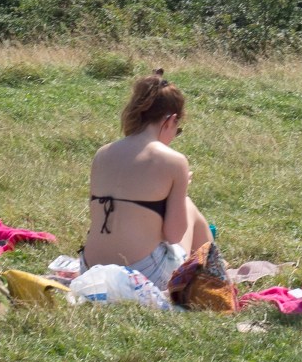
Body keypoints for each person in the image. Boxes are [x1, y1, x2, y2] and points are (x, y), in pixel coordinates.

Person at [80, 70, 212, 291]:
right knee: (188, 207)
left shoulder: (102, 153)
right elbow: (173, 235)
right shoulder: (173, 161)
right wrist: (179, 193)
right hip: (142, 274)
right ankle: (213, 273)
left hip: (90, 268)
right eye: (176, 130)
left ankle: (213, 269)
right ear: (170, 120)